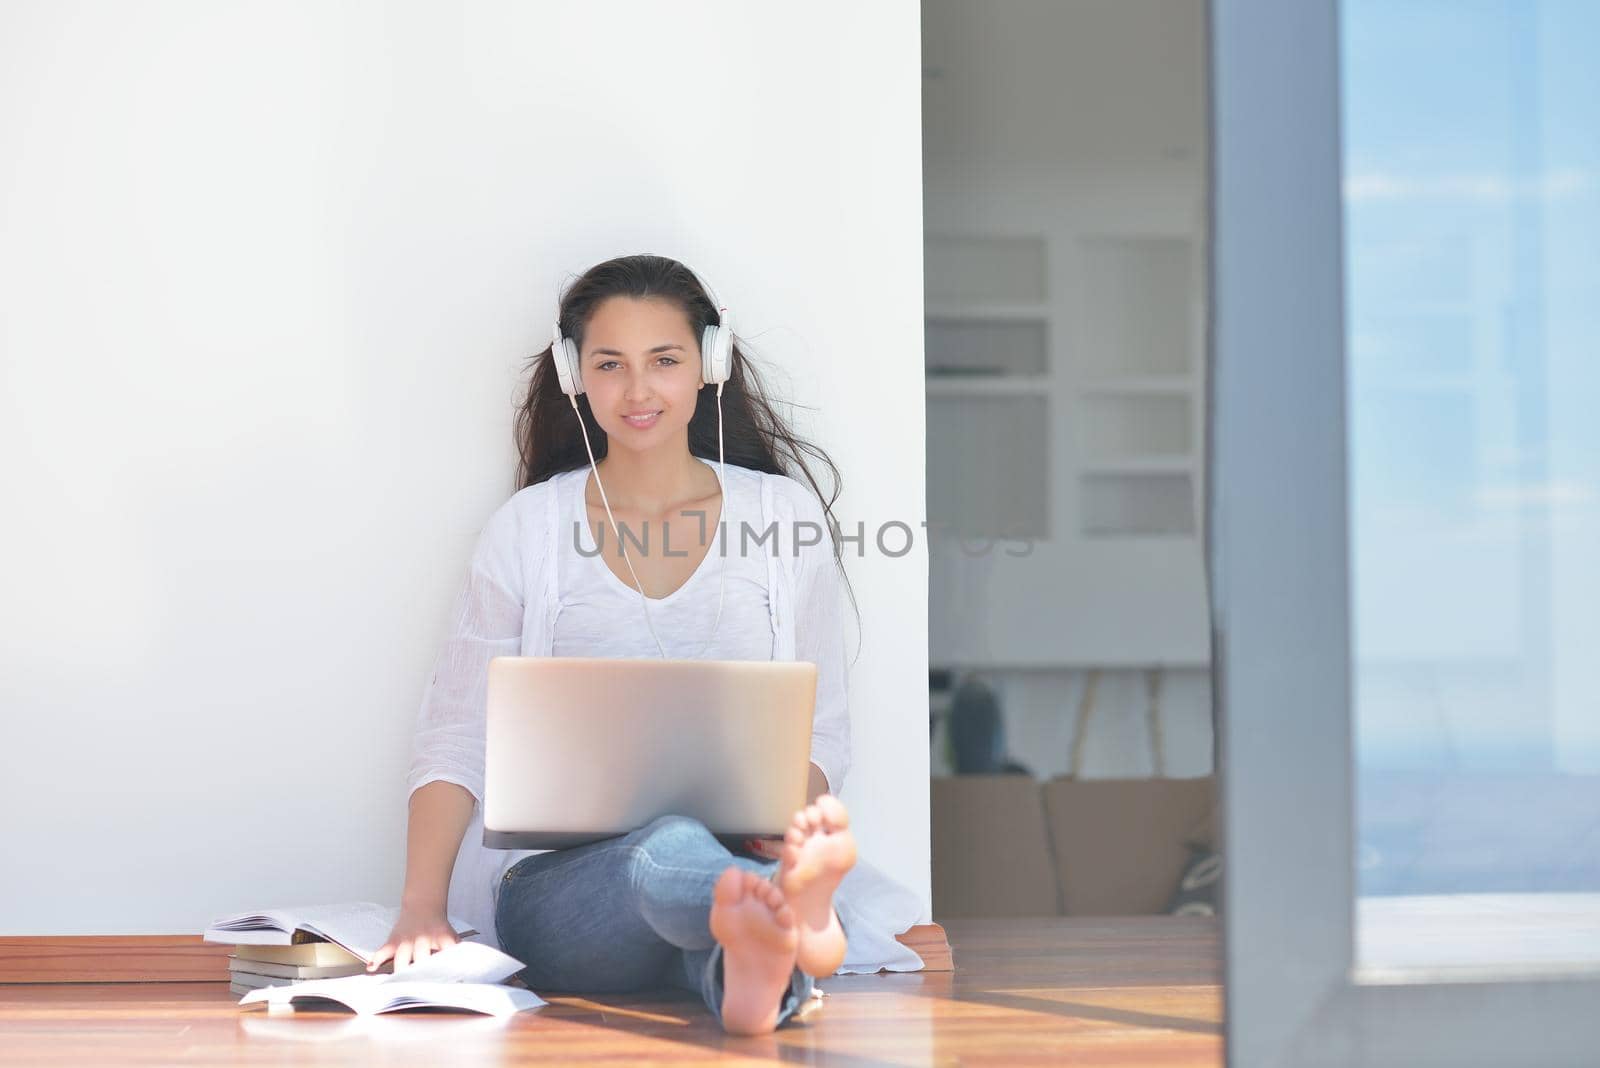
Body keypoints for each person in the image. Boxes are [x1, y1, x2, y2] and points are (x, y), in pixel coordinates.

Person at [370, 253, 866, 1034]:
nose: (638, 391)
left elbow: (822, 728)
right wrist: (421, 908)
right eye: (611, 364)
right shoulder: (529, 529)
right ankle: (783, 919)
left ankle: (755, 974)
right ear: (575, 375)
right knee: (666, 851)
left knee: (719, 914)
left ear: (709, 363)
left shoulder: (784, 520)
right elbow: (456, 732)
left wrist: (787, 819)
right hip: (563, 895)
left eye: (664, 361)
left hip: (740, 861)